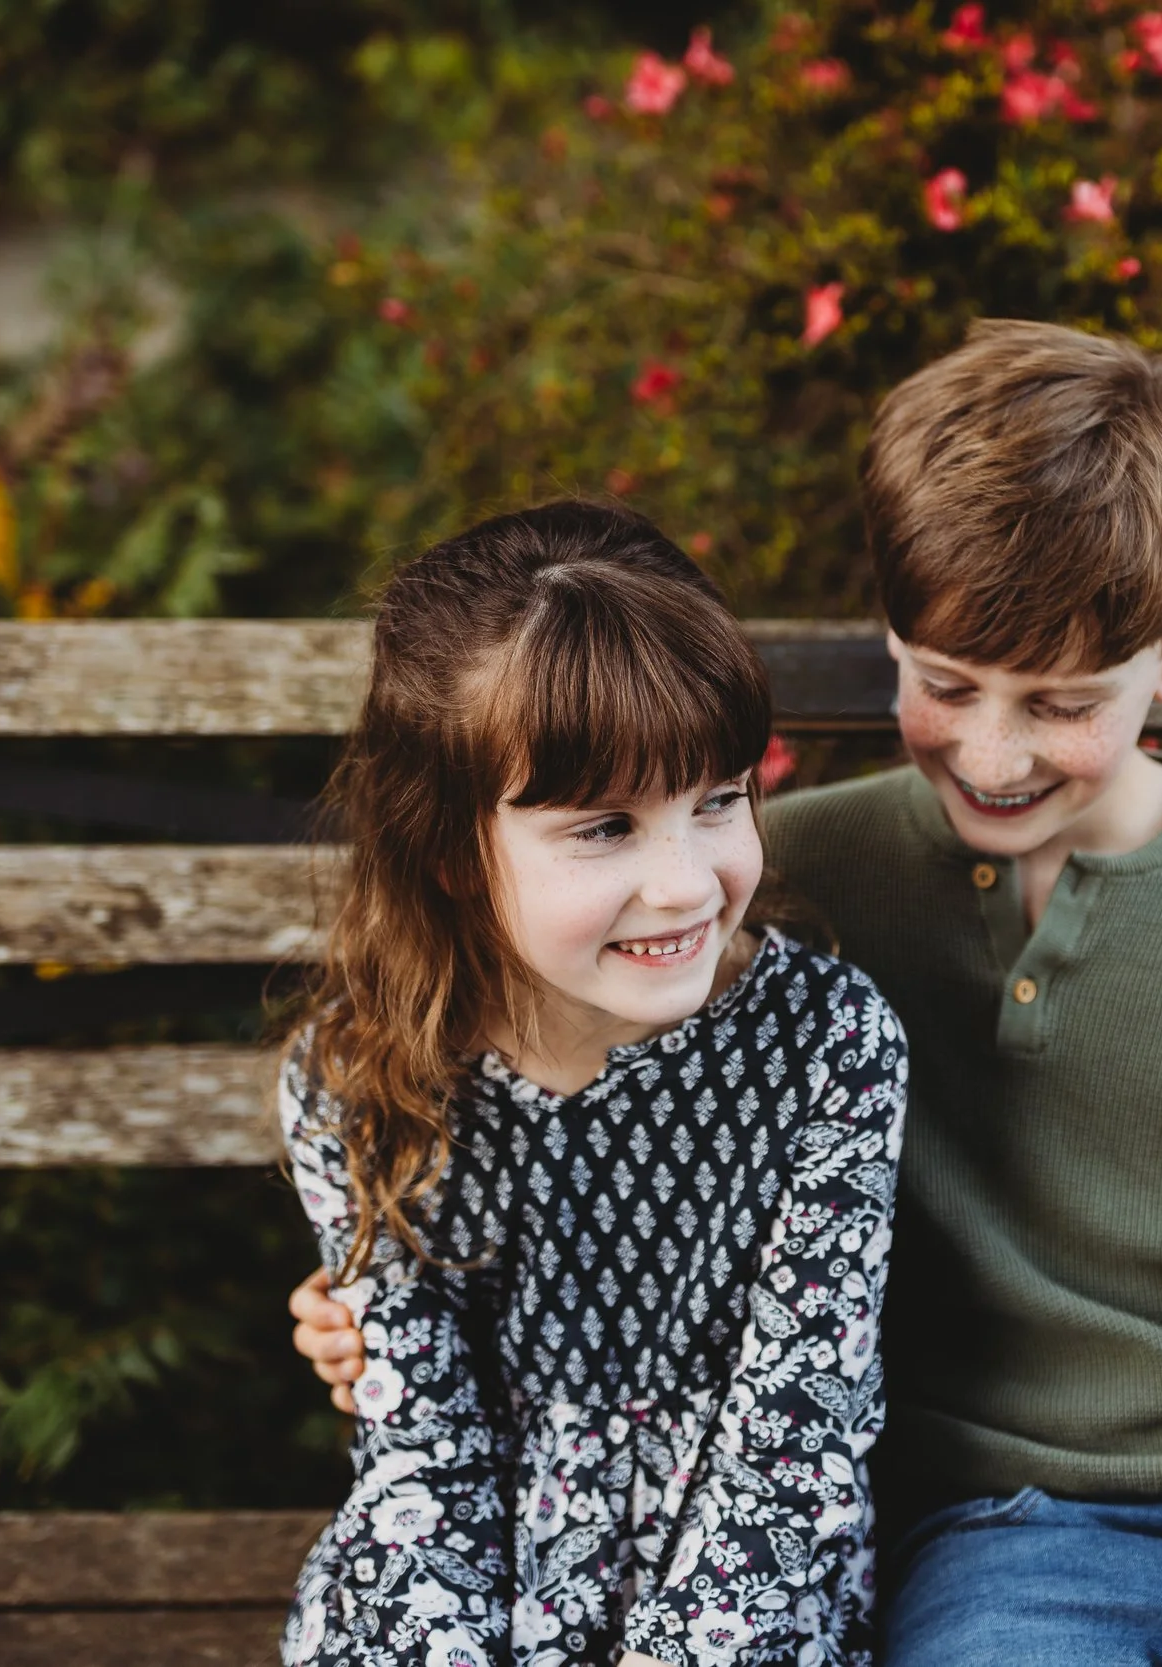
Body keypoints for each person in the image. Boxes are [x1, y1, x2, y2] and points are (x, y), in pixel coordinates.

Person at [295, 324, 1162, 1666]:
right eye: (946, 683)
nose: (993, 752)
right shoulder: (764, 884)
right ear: (891, 633)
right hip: (1010, 1533)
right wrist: (390, 1290)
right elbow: (571, 1115)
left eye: (1059, 701)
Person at [276, 501, 907, 1667]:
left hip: (741, 1594)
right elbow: (421, 1456)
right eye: (605, 826)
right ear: (453, 853)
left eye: (717, 799)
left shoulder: (827, 1047)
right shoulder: (359, 1074)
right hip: (467, 1576)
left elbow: (792, 1446)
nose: (683, 885)